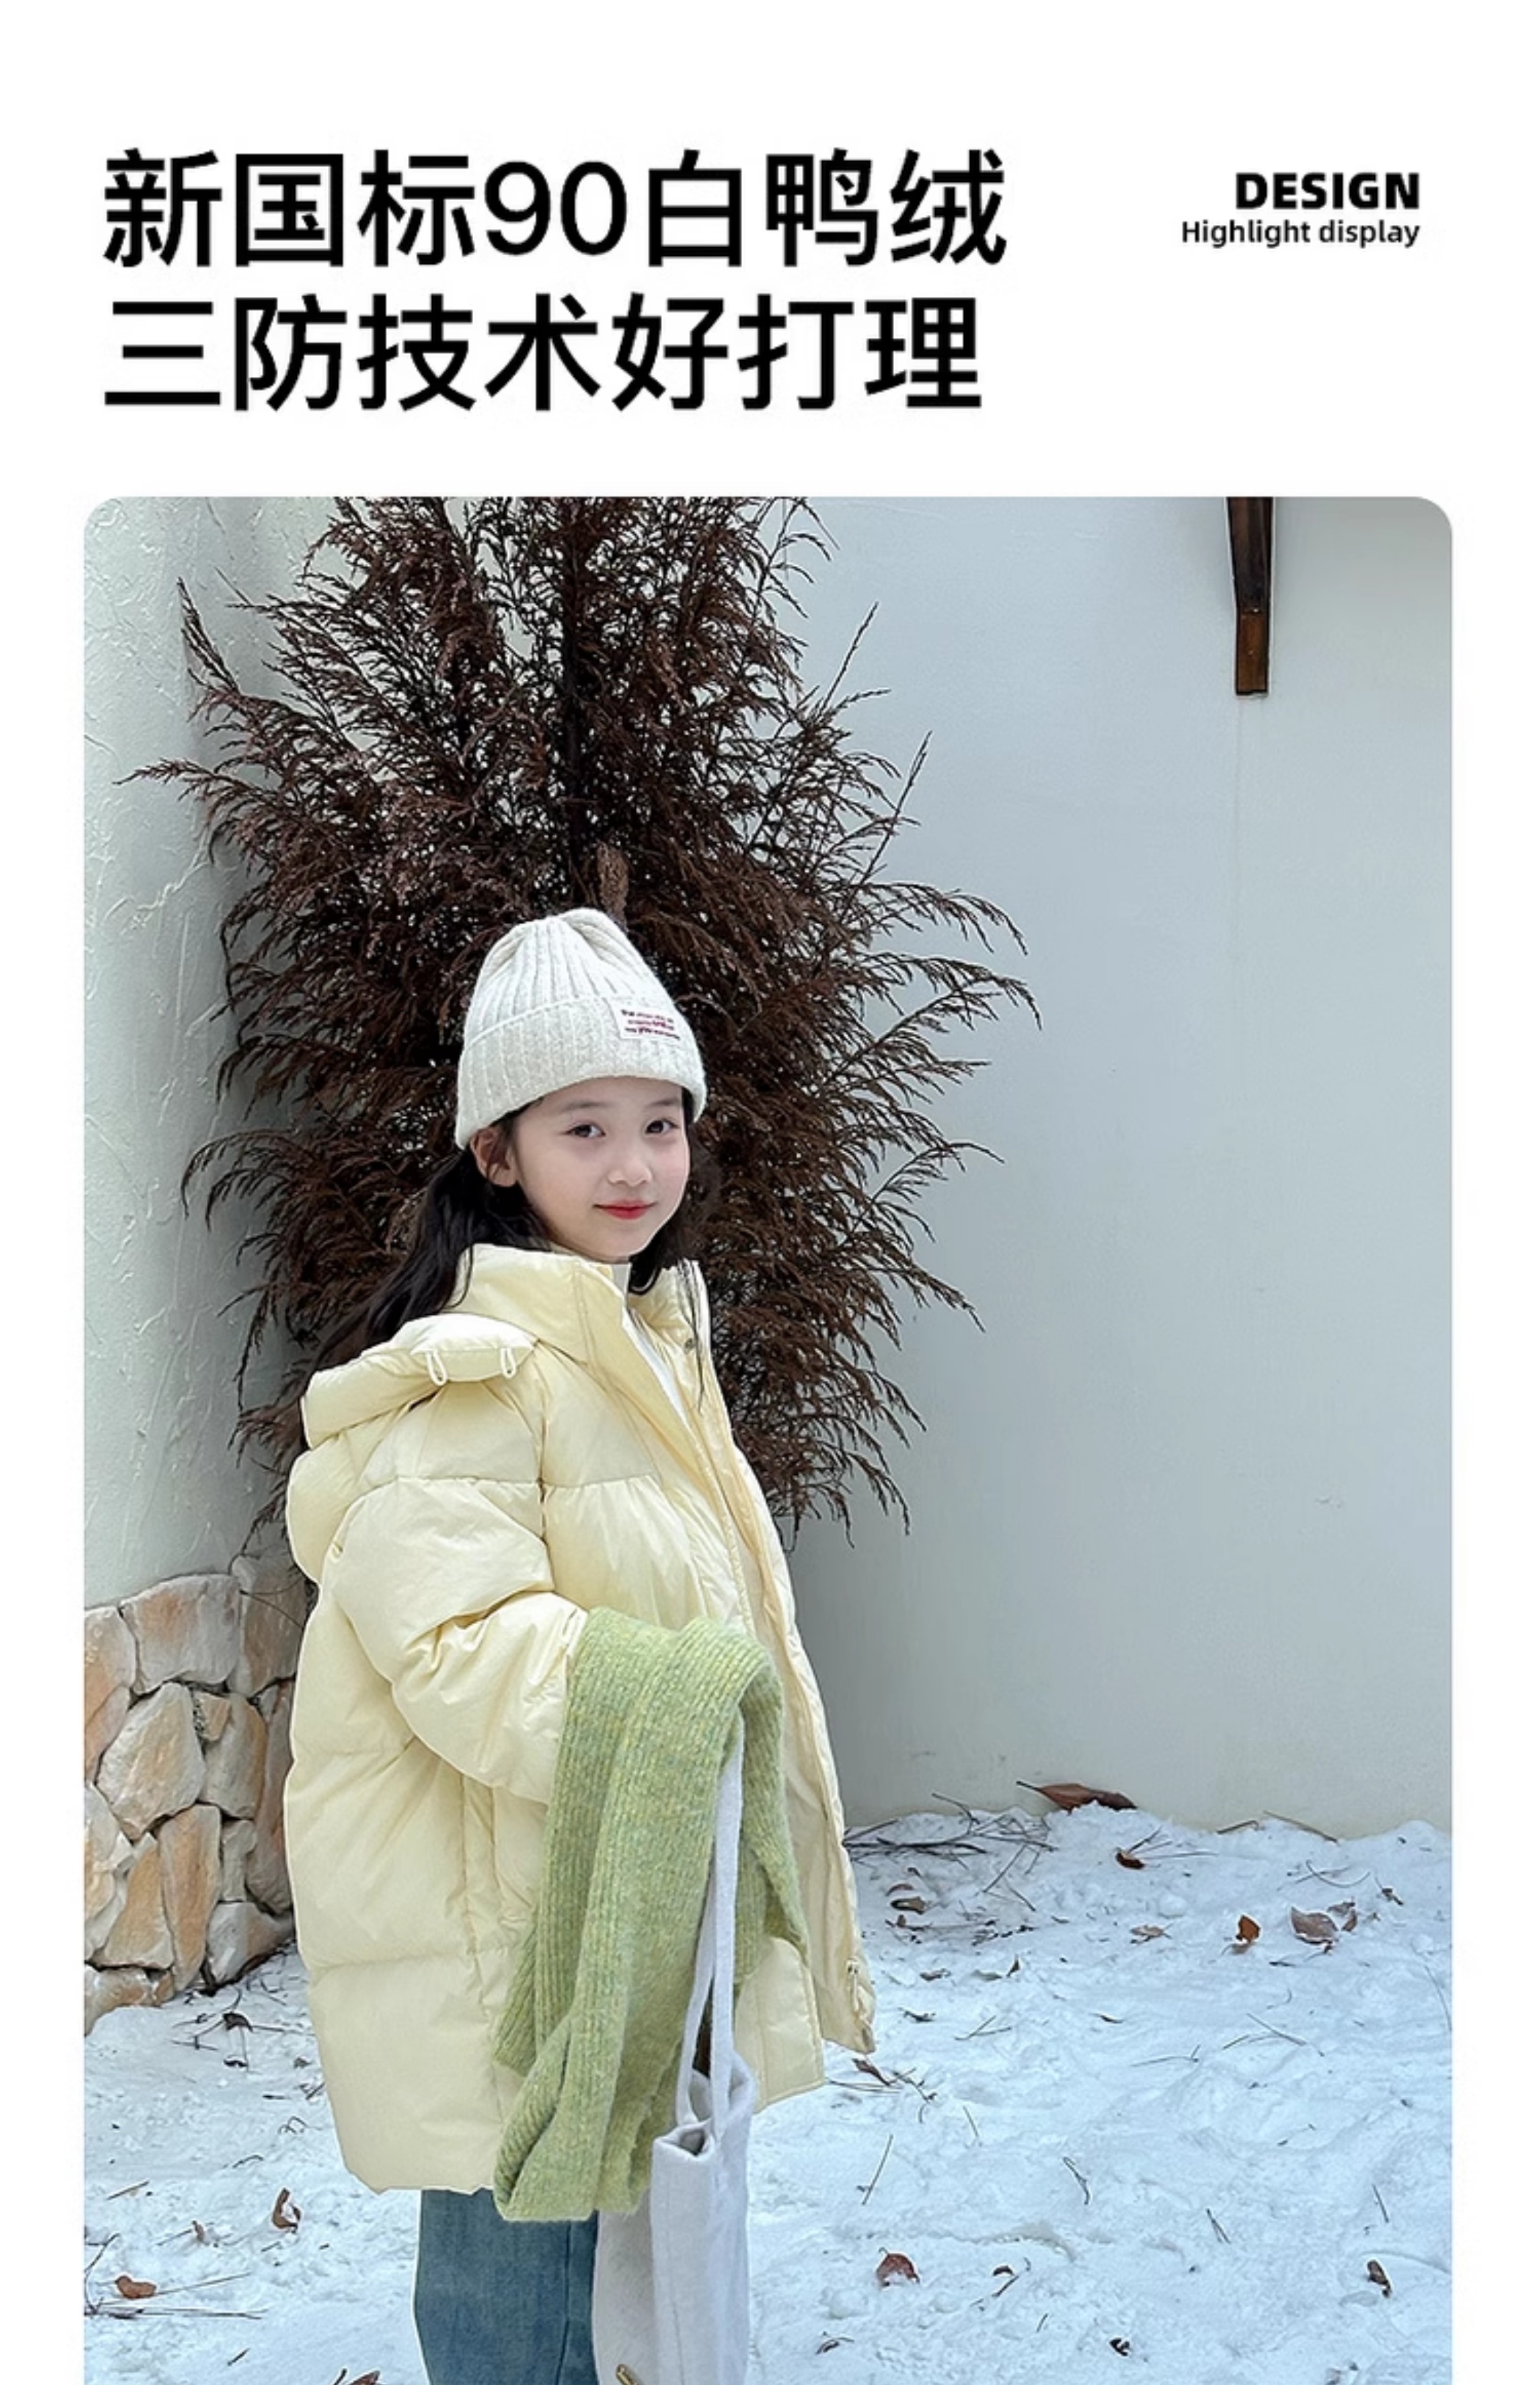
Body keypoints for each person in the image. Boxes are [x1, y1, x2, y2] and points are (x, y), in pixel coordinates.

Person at [283, 907, 877, 2385]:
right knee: (523, 2277)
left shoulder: (637, 1344)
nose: (633, 1167)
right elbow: (455, 1643)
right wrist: (674, 1699)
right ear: (498, 1152)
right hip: (508, 1922)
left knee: (613, 2275)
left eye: (660, 1124)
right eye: (585, 1127)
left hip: (601, 1892)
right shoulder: (482, 1375)